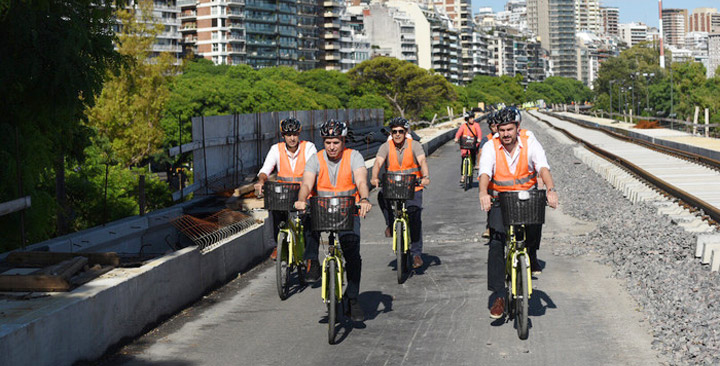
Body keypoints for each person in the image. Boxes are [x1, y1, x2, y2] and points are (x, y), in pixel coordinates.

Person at [478, 109, 559, 319]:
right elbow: (485, 172)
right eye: (501, 130)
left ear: (517, 128)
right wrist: (483, 193)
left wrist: (550, 190)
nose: (505, 134)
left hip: (526, 197)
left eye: (509, 129)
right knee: (496, 243)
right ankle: (498, 295)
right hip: (501, 200)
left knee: (535, 220)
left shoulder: (529, 141)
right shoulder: (491, 146)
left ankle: (531, 255)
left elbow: (542, 166)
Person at [294, 119, 373, 322]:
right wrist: (301, 200)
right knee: (307, 220)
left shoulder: (353, 156)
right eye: (328, 142)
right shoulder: (316, 159)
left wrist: (364, 199)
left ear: (343, 141)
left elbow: (362, 180)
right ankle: (312, 261)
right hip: (322, 211)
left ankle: (353, 299)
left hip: (348, 211)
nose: (331, 146)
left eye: (336, 142)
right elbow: (306, 183)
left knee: (353, 253)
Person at [371, 117, 431, 268]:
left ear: (406, 132)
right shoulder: (386, 146)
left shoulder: (414, 145)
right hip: (393, 186)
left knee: (414, 215)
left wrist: (425, 177)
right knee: (380, 196)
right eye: (394, 132)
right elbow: (378, 162)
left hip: (413, 187)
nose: (397, 134)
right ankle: (390, 224)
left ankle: (416, 254)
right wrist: (374, 177)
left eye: (400, 131)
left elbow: (422, 161)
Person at [254, 118, 317, 262]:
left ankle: (310, 259)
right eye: (288, 135)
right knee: (273, 209)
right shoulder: (276, 149)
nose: (292, 138)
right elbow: (265, 170)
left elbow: (313, 168)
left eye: (295, 134)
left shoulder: (308, 148)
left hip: (304, 193)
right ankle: (277, 245)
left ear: (299, 134)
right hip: (285, 194)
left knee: (308, 224)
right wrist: (261, 180)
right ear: (283, 136)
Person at [454, 112, 483, 184]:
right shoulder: (463, 126)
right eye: (470, 118)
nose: (472, 119)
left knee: (473, 156)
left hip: (473, 144)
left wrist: (479, 139)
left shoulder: (476, 125)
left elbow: (479, 133)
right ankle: (463, 175)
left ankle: (472, 166)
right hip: (465, 143)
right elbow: (459, 133)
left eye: (473, 118)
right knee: (463, 157)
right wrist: (456, 138)